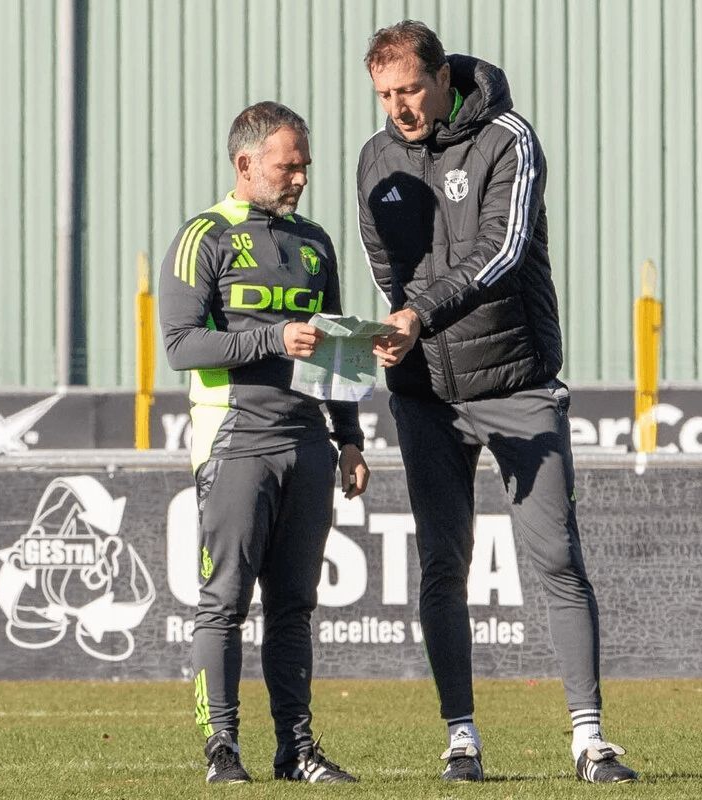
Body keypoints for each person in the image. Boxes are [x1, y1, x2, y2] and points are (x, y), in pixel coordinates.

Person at [356, 20, 638, 784]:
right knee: (441, 567)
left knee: (557, 560)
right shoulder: (375, 158)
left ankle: (590, 740)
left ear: (443, 78)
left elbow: (502, 252)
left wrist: (420, 314)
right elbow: (386, 267)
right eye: (385, 94)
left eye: (411, 89)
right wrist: (400, 330)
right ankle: (461, 739)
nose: (400, 107)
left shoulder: (509, 138)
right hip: (425, 396)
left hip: (517, 384)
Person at [160, 101, 368, 785]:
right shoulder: (204, 236)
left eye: (305, 165)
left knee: (294, 607)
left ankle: (296, 751)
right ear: (246, 163)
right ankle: (222, 748)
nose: (301, 177)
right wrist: (273, 338)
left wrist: (349, 439)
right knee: (224, 601)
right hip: (236, 441)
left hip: (308, 442)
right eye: (288, 166)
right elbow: (181, 345)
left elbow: (335, 349)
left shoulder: (315, 242)